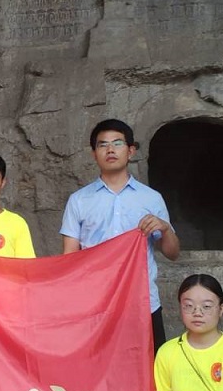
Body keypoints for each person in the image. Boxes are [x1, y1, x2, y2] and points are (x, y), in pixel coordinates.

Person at [60, 119, 179, 350]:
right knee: (94, 366)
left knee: (148, 366)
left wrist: (164, 227)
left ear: (131, 151)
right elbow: (69, 257)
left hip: (142, 302)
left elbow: (173, 253)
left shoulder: (151, 198)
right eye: (103, 145)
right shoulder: (79, 200)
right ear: (94, 154)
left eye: (117, 143)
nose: (110, 150)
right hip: (94, 304)